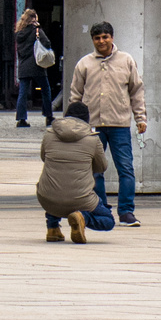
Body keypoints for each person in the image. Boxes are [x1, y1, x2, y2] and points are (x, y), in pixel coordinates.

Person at [68, 21, 147, 228]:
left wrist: (141, 118)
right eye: (97, 38)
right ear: (92, 40)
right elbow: (75, 95)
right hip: (92, 126)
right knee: (94, 170)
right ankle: (101, 208)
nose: (101, 41)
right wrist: (75, 123)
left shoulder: (126, 60)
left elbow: (136, 91)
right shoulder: (84, 64)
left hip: (119, 124)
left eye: (105, 37)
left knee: (126, 169)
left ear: (112, 37)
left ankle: (127, 211)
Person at [38, 101, 114, 244]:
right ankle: (82, 218)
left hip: (47, 198)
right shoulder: (93, 139)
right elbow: (101, 167)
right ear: (87, 119)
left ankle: (52, 228)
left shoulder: (48, 135)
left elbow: (44, 157)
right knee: (108, 221)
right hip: (81, 199)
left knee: (55, 181)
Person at [15, 8, 54, 128]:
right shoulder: (36, 30)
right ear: (34, 19)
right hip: (37, 65)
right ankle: (48, 116)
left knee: (22, 93)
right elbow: (47, 43)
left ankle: (21, 119)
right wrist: (39, 29)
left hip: (23, 66)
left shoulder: (19, 32)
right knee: (46, 90)